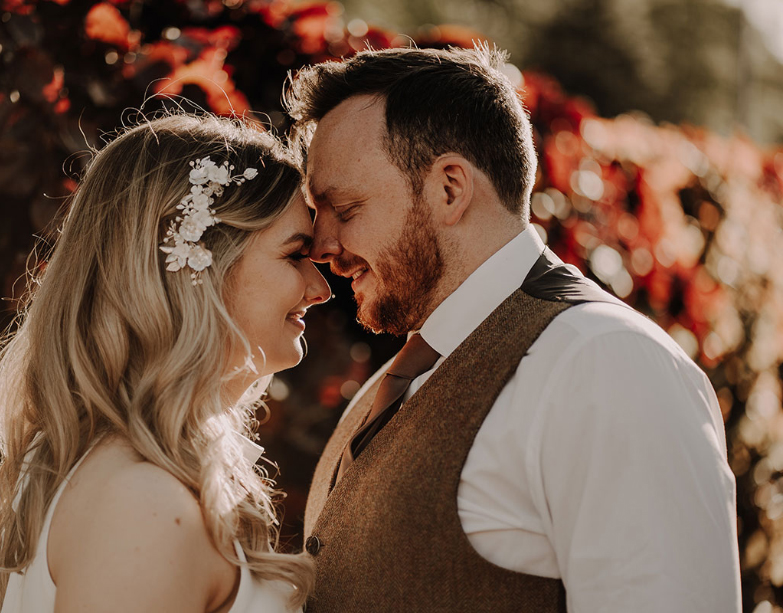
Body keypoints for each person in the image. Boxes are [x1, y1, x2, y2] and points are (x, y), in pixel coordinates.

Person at [284, 45, 741, 612]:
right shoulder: (413, 366)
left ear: (450, 188)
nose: (323, 247)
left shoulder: (608, 365)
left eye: (346, 209)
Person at [0, 113, 331, 613]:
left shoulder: (129, 473)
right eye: (295, 255)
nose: (320, 289)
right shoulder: (143, 506)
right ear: (196, 274)